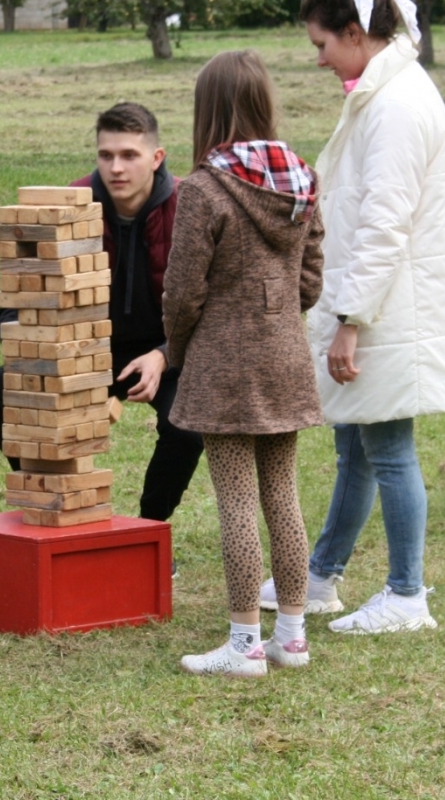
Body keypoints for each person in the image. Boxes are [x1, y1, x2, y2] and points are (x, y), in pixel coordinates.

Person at [261, 0, 445, 634]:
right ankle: (320, 575)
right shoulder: (386, 93)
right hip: (381, 300)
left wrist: (351, 320)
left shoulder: (395, 107)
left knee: (386, 448)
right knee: (355, 445)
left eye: (322, 44)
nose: (318, 58)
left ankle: (406, 594)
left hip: (387, 306)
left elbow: (384, 225)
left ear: (355, 34)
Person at [165, 51, 325, 677]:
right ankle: (292, 635)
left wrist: (179, 346)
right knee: (282, 493)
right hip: (285, 354)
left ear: (208, 110)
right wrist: (280, 312)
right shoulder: (302, 181)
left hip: (224, 363)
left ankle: (243, 645)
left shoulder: (203, 189)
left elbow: (182, 292)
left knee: (235, 501)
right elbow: (311, 277)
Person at [0, 103, 205, 523]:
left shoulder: (189, 208)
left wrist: (165, 355)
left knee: (185, 427)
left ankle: (149, 527)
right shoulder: (69, 206)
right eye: (106, 155)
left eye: (129, 155)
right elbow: (18, 297)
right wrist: (30, 340)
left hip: (161, 353)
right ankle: (53, 496)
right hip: (80, 353)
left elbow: (209, 309)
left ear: (157, 158)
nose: (116, 167)